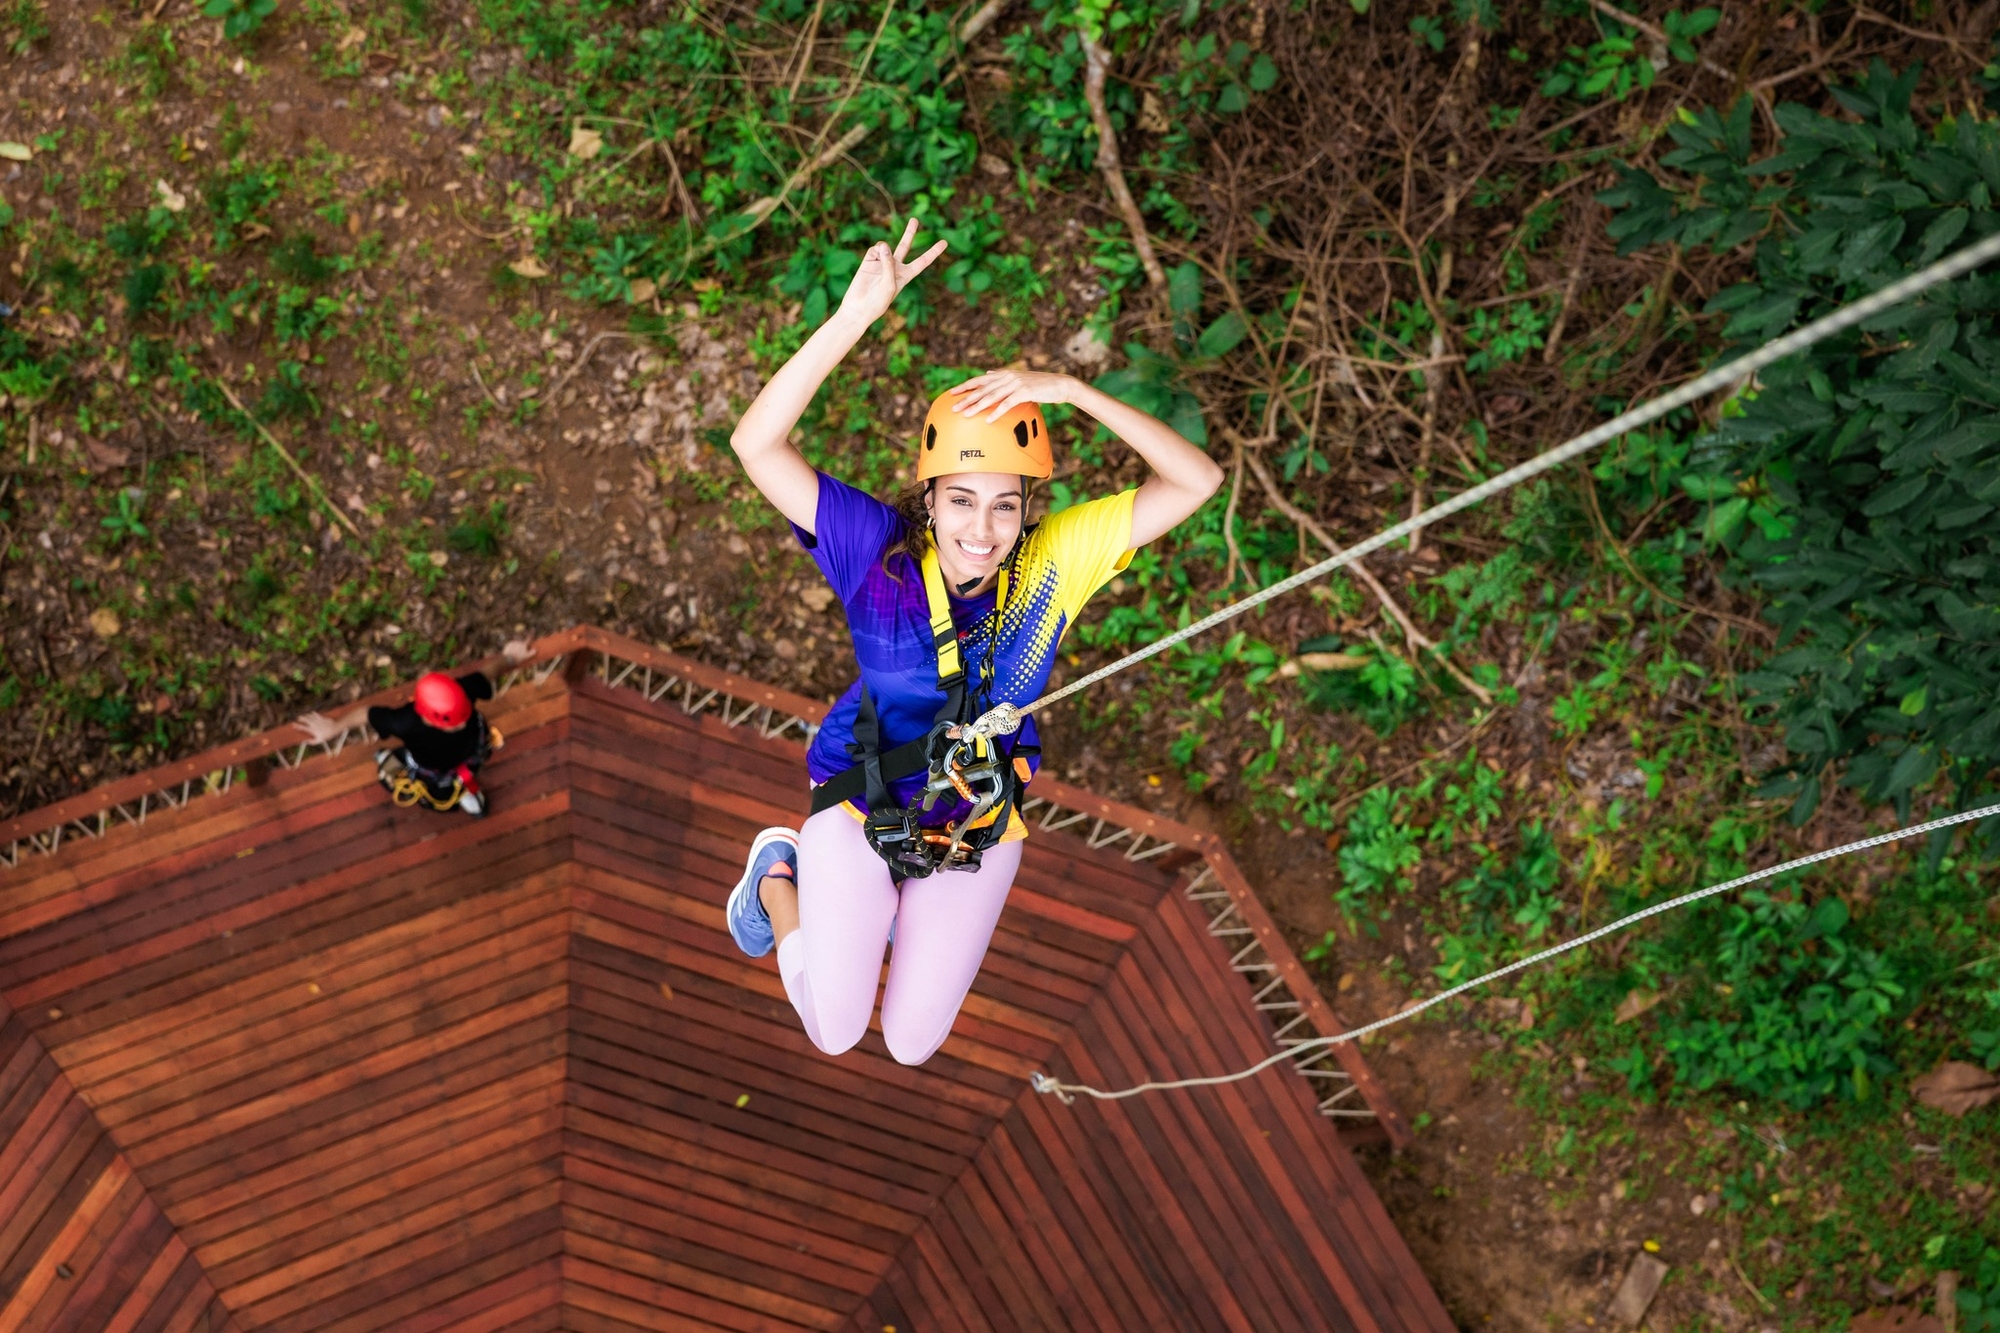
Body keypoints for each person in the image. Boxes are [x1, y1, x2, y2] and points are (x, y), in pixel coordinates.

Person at [723, 219, 1224, 1066]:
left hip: (976, 814)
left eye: (1004, 505)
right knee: (836, 1029)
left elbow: (1196, 479)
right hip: (860, 794)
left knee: (912, 1043)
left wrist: (1072, 390)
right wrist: (852, 319)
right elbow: (755, 444)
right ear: (929, 497)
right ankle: (778, 876)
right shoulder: (875, 551)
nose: (982, 530)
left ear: (1028, 510)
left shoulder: (1053, 562)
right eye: (961, 500)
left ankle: (871, 904)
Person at [294, 641, 531, 817]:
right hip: (436, 769)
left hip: (471, 754)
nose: (462, 724)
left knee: (465, 777)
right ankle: (461, 793)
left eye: (464, 715)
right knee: (441, 792)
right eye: (454, 722)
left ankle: (467, 793)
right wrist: (334, 727)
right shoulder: (405, 722)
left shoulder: (462, 693)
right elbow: (367, 714)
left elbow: (486, 674)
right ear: (429, 718)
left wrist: (510, 658)